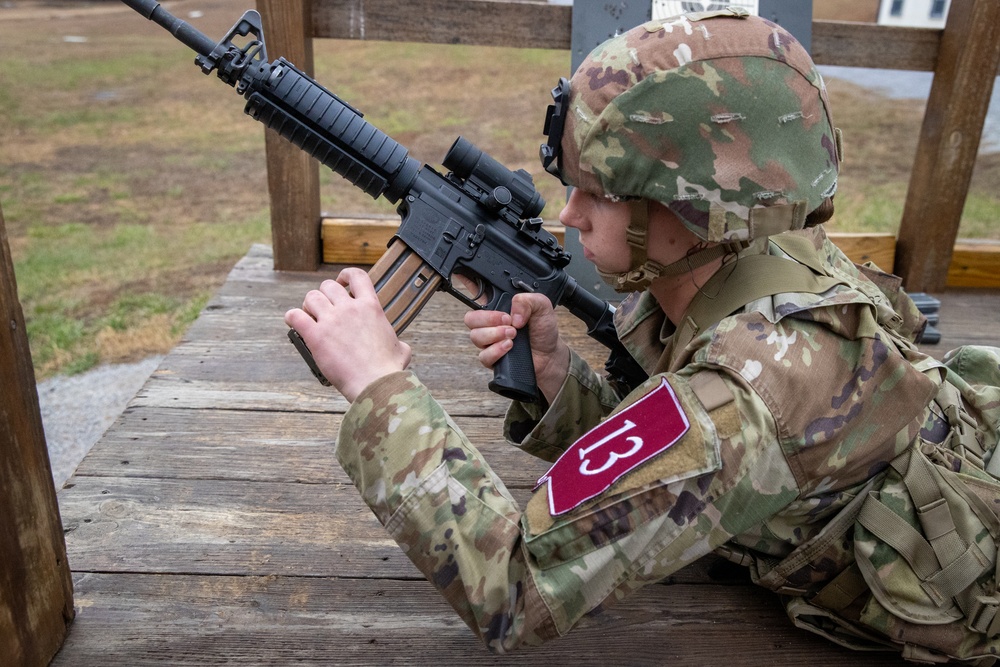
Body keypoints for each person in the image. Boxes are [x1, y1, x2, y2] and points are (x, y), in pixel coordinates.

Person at [284, 8, 1000, 663]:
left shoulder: (747, 396)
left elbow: (511, 584)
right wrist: (563, 381)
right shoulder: (750, 254)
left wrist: (380, 386)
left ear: (690, 210)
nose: (568, 215)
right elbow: (662, 446)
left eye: (601, 192)